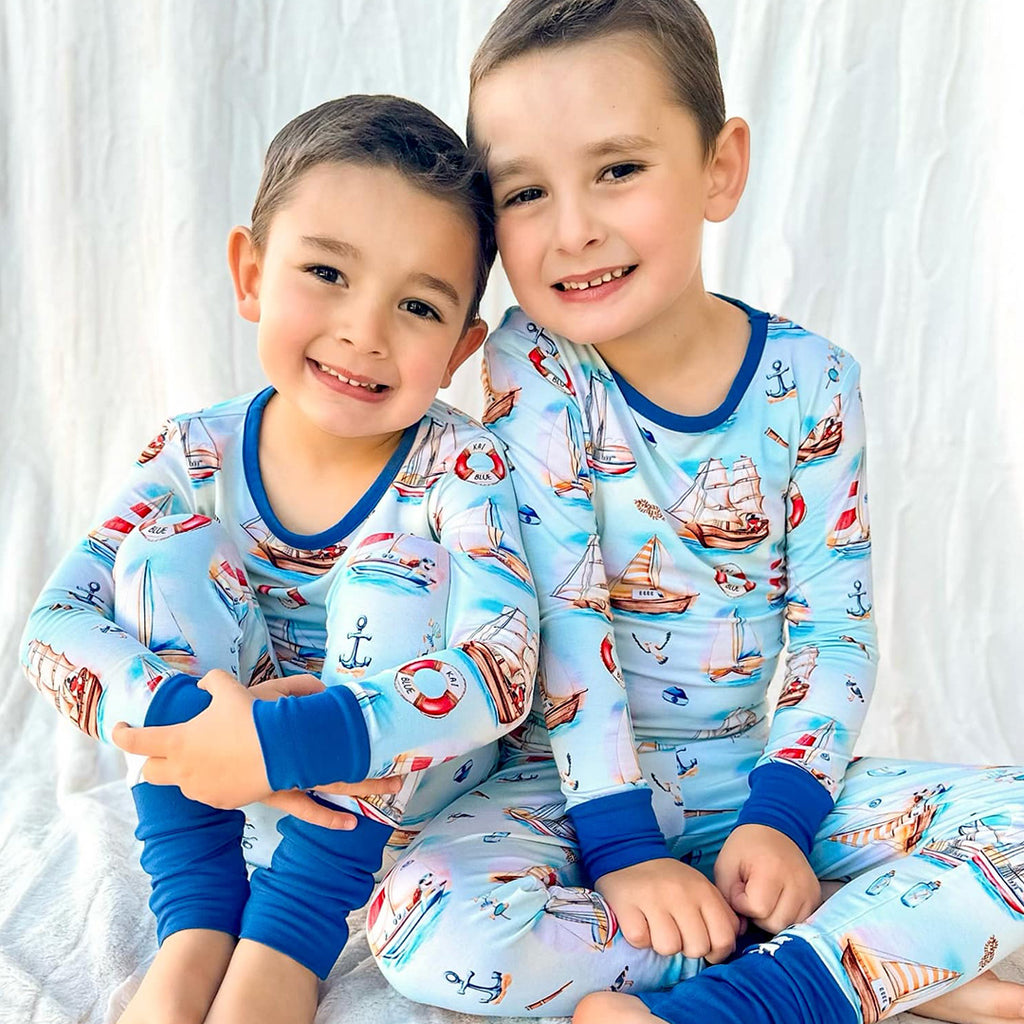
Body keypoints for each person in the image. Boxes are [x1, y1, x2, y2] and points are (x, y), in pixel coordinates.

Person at [368, 4, 1024, 1024]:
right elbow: (567, 616)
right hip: (562, 791)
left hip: (753, 777)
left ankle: (773, 982)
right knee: (422, 926)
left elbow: (834, 626)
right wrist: (623, 849)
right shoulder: (532, 367)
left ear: (721, 167)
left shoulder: (812, 381)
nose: (573, 228)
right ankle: (871, 959)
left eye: (617, 169)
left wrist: (784, 816)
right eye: (526, 191)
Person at [19, 94, 539, 1024]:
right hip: (219, 783)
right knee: (161, 551)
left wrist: (290, 740)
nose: (365, 331)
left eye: (418, 305)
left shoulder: (463, 468)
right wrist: (200, 728)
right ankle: (199, 922)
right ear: (251, 274)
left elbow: (502, 672)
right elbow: (54, 628)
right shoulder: (194, 453)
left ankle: (287, 943)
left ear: (463, 347)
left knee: (397, 569)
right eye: (327, 272)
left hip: (397, 806)